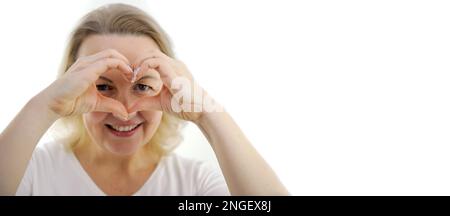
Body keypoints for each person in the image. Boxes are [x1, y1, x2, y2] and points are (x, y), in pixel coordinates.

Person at [0, 3, 289, 195]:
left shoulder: (193, 183)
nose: (124, 111)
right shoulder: (31, 171)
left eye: (141, 87)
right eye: (103, 87)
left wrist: (206, 113)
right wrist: (45, 106)